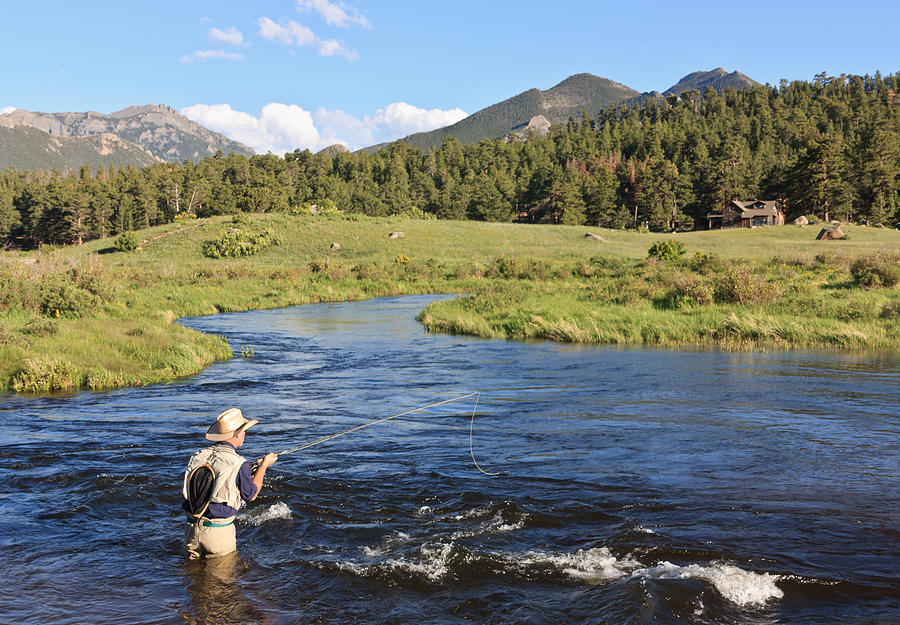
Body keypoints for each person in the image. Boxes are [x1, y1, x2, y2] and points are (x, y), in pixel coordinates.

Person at [182, 408, 278, 559]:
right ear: (237, 434)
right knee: (222, 580)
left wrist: (248, 471)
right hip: (217, 533)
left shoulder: (198, 456)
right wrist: (264, 466)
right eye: (244, 431)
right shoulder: (239, 463)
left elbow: (211, 482)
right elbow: (250, 495)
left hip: (191, 531)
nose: (245, 434)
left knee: (194, 576)